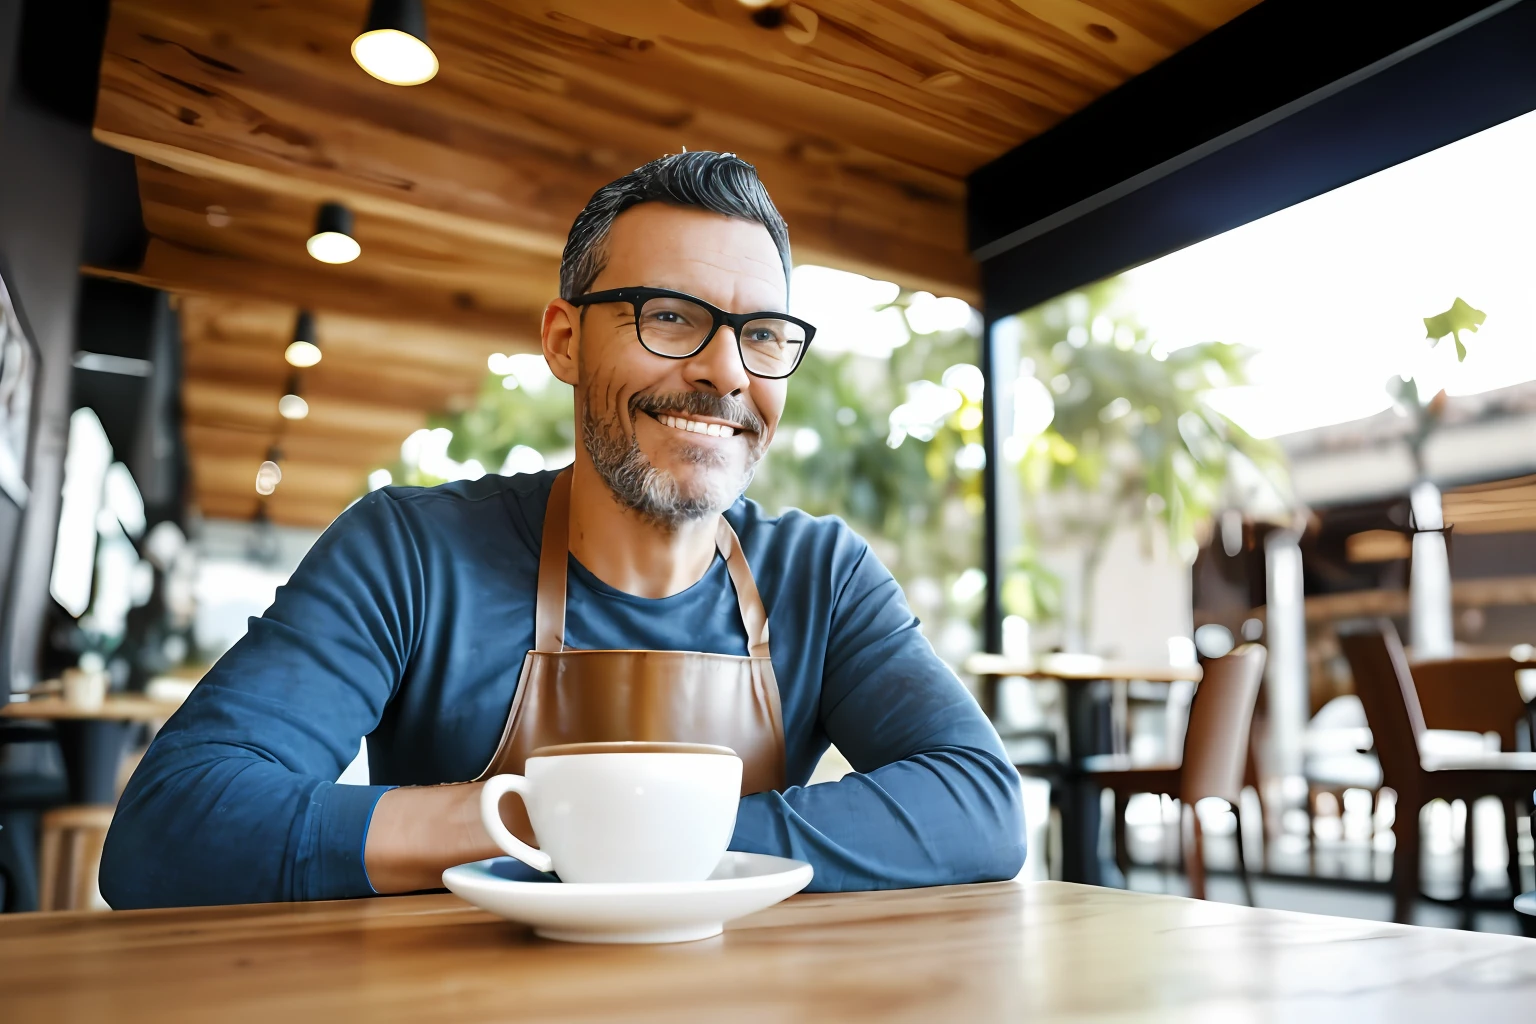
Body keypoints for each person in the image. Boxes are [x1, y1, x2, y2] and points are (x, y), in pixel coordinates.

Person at [100, 151, 1025, 907]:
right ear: (564, 341)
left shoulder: (820, 576)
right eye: (671, 317)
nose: (725, 372)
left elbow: (980, 804)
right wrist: (539, 821)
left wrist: (630, 839)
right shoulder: (408, 554)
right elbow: (173, 827)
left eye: (764, 335)